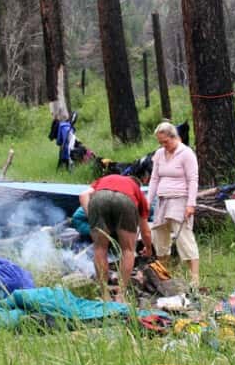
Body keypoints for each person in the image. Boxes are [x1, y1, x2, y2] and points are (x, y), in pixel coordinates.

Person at [78, 173, 153, 302]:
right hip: (126, 202)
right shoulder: (137, 192)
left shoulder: (106, 179)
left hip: (99, 198)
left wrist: (92, 218)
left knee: (100, 248)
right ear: (137, 185)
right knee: (128, 250)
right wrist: (148, 249)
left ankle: (104, 294)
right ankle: (121, 294)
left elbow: (83, 195)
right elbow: (145, 231)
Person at [146, 121, 201, 288]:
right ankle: (164, 276)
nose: (164, 145)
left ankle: (195, 278)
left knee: (183, 237)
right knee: (159, 236)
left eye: (166, 141)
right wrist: (148, 200)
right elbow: (154, 179)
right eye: (161, 142)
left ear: (173, 137)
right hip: (162, 199)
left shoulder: (186, 153)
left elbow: (193, 180)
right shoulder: (159, 154)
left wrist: (191, 204)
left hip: (180, 198)